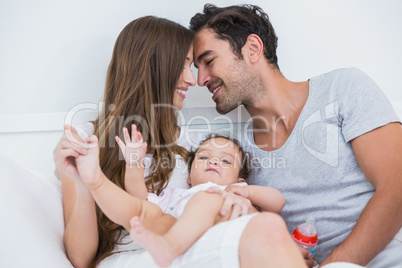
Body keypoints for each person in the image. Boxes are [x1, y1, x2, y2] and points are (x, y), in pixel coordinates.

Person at [53, 15, 307, 268]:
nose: (192, 80)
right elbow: (81, 258)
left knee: (268, 227)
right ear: (152, 68)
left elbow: (229, 204)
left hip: (193, 255)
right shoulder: (85, 142)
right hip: (134, 258)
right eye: (184, 65)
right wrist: (83, 180)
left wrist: (244, 207)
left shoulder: (200, 147)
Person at [190, 3, 402, 268]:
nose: (200, 80)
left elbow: (397, 187)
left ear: (253, 49)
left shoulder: (343, 88)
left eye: (208, 61)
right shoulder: (234, 154)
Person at [68, 132, 285, 267]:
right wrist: (134, 166)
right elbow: (138, 198)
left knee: (207, 198)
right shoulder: (176, 196)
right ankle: (94, 182)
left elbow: (277, 202)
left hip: (219, 227)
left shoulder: (234, 190)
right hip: (174, 226)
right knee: (144, 212)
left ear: (239, 179)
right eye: (204, 157)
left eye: (226, 161)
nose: (214, 162)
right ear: (189, 177)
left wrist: (248, 193)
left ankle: (169, 246)